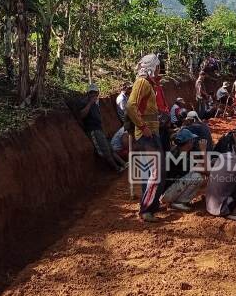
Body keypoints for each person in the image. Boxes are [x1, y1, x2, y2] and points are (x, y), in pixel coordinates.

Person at [127, 54, 169, 222]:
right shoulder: (142, 83)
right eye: (157, 67)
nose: (159, 70)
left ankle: (150, 206)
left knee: (151, 172)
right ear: (151, 66)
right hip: (146, 135)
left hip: (151, 134)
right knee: (156, 171)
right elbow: (131, 105)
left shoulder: (149, 84)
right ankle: (146, 208)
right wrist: (143, 127)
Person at [72, 84, 128, 172]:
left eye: (96, 93)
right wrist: (90, 103)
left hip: (99, 129)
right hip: (93, 130)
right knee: (106, 152)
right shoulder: (85, 102)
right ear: (88, 93)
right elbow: (82, 115)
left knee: (110, 149)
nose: (94, 95)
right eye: (92, 93)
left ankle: (124, 164)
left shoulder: (96, 103)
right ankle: (117, 168)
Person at [160, 128, 209, 211]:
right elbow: (207, 170)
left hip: (166, 191)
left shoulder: (177, 150)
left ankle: (176, 200)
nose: (193, 142)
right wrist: (203, 150)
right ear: (188, 142)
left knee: (198, 173)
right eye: (192, 140)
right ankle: (179, 202)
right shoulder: (180, 156)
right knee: (198, 177)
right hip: (167, 193)